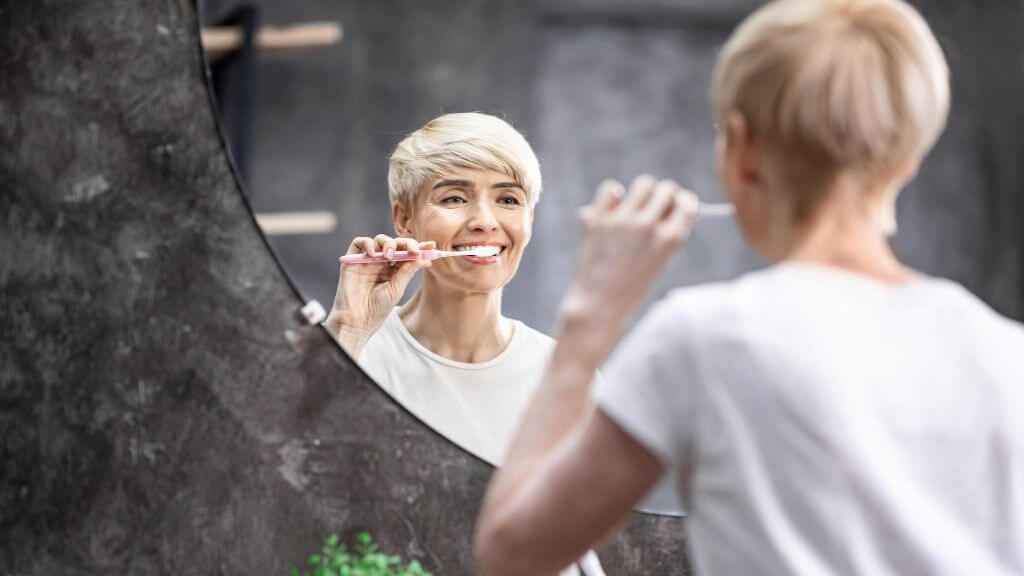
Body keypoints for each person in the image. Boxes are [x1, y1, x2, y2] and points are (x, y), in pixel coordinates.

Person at [474, 1, 1024, 575]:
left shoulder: (706, 341)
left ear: (742, 148)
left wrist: (590, 318)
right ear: (908, 160)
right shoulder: (1009, 355)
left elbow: (513, 556)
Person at [323, 112, 602, 576]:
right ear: (404, 218)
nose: (484, 221)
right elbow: (288, 482)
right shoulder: (354, 348)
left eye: (508, 199)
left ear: (529, 219)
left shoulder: (565, 375)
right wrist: (350, 330)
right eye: (454, 197)